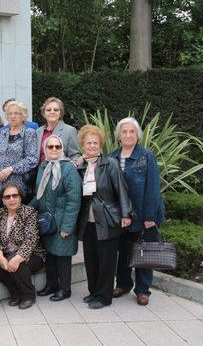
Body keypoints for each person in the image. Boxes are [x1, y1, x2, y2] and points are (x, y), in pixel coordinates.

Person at [110, 117, 165, 306]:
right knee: (124, 250)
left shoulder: (145, 156)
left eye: (131, 132)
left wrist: (150, 217)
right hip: (122, 215)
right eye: (124, 132)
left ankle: (143, 290)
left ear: (137, 135)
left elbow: (152, 187)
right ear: (118, 136)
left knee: (144, 252)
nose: (127, 135)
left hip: (144, 214)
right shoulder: (113, 156)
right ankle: (123, 284)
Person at [76, 125, 132, 309]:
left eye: (95, 142)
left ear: (101, 144)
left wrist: (126, 214)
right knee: (91, 259)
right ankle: (93, 292)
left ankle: (103, 296)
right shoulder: (81, 166)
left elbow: (122, 190)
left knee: (107, 261)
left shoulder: (110, 163)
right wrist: (76, 163)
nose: (92, 145)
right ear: (83, 145)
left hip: (107, 219)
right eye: (88, 142)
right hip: (88, 221)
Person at [32, 135, 82, 302]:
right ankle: (52, 284)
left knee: (62, 256)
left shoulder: (68, 169)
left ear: (62, 149)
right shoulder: (43, 166)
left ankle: (65, 289)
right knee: (50, 255)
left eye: (57, 147)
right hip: (47, 220)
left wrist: (67, 227)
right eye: (50, 147)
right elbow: (39, 194)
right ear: (45, 149)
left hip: (62, 221)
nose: (54, 150)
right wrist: (25, 210)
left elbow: (74, 201)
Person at [0, 183, 45, 310]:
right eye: (7, 197)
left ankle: (28, 296)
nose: (11, 199)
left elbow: (31, 239)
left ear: (20, 197)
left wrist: (18, 257)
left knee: (18, 264)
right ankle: (15, 293)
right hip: (7, 253)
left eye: (15, 195)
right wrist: (0, 256)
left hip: (33, 254)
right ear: (3, 200)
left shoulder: (29, 212)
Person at [0, 100, 39, 199]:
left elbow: (32, 159)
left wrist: (11, 169)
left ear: (23, 115)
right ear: (6, 116)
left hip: (17, 187)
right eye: (10, 113)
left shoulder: (29, 133)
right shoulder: (2, 133)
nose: (13, 116)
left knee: (16, 214)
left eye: (16, 113)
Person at [36, 97, 81, 163]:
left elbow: (75, 156)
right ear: (44, 114)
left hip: (61, 171)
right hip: (40, 171)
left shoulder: (70, 130)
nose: (52, 112)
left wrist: (68, 168)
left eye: (56, 110)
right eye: (48, 110)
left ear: (60, 114)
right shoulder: (38, 132)